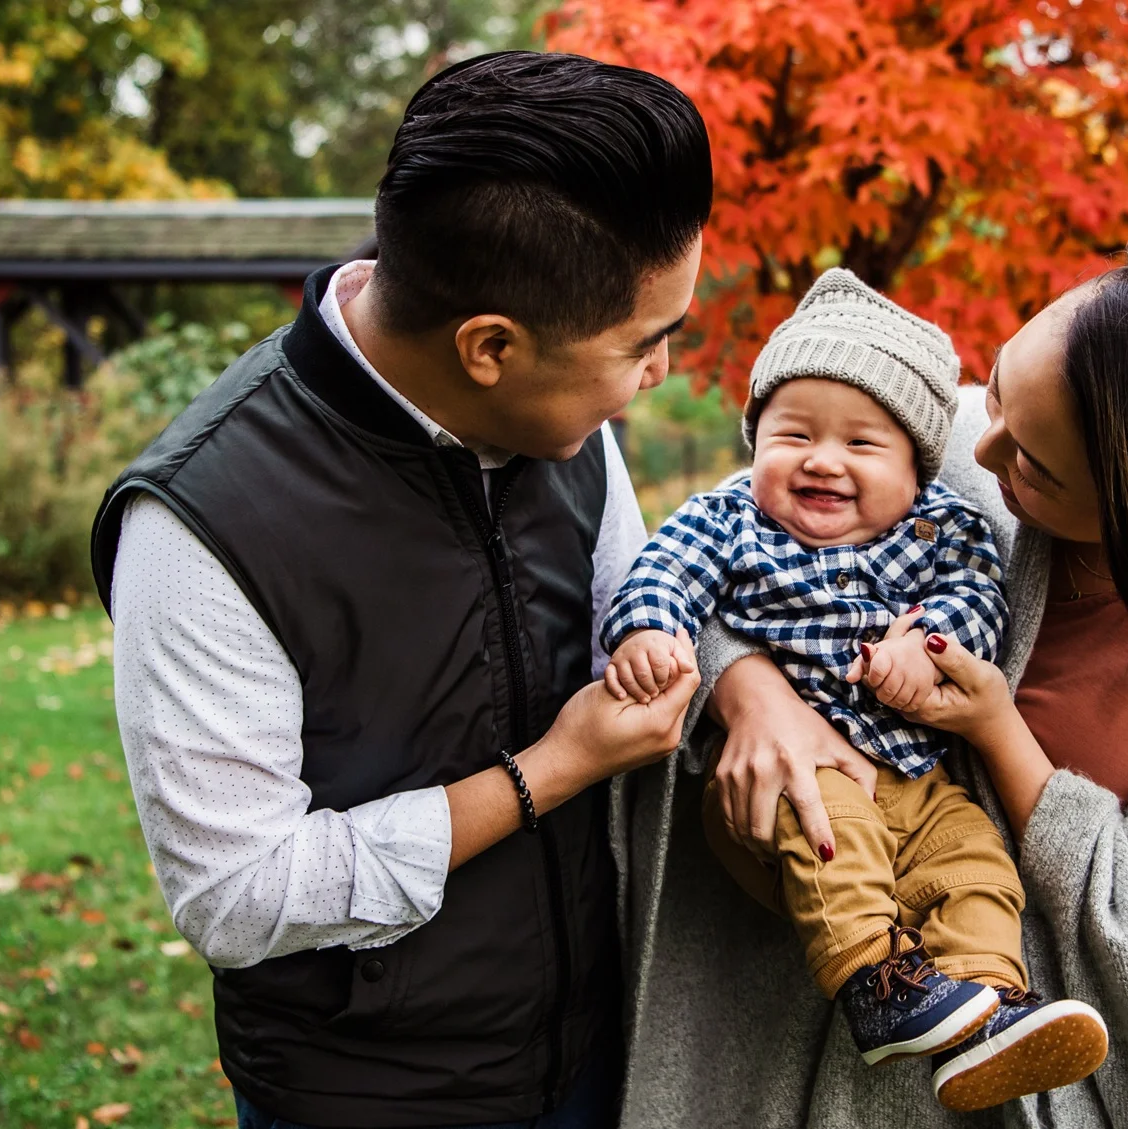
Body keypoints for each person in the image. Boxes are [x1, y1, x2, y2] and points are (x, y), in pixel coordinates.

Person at [91, 51, 711, 1129]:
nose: (658, 371)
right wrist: (548, 773)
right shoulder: (198, 524)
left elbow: (639, 612)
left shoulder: (562, 424)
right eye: (641, 345)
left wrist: (740, 689)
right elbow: (238, 899)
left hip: (594, 1055)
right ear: (490, 348)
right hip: (366, 1096)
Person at [616, 242, 1128, 1128]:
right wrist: (748, 689)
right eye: (1000, 387)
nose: (982, 444)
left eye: (1035, 468)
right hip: (796, 1059)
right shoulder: (929, 446)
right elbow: (719, 554)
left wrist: (1000, 736)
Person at [597, 270, 1108, 1113]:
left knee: (973, 861)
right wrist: (653, 629)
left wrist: (928, 646)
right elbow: (663, 570)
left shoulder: (949, 528)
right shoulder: (728, 518)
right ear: (753, 440)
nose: (821, 460)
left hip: (917, 781)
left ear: (916, 469)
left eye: (861, 445)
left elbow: (978, 601)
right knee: (832, 830)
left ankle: (985, 1005)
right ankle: (877, 981)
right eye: (790, 434)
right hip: (791, 774)